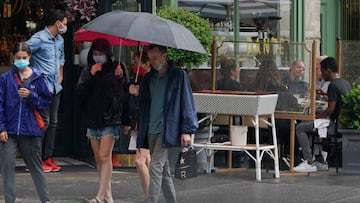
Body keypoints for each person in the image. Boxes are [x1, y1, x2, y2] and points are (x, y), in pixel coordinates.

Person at [137, 44, 198, 203]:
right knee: (163, 171)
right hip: (151, 127)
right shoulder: (149, 78)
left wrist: (187, 129)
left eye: (155, 58)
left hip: (167, 128)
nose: (152, 62)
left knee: (155, 166)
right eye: (150, 58)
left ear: (165, 56)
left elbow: (187, 102)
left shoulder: (178, 75)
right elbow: (143, 103)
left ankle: (150, 201)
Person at [76, 38, 130, 203]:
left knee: (104, 156)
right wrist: (91, 74)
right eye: (95, 53)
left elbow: (124, 95)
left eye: (101, 54)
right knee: (98, 158)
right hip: (93, 118)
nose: (98, 57)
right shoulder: (88, 70)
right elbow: (80, 93)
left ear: (108, 54)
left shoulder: (118, 68)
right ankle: (107, 195)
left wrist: (126, 120)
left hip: (111, 118)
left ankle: (100, 196)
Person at [0, 42, 52, 203]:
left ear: (30, 57)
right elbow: (0, 103)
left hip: (31, 130)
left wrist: (31, 95)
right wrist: (1, 127)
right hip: (10, 129)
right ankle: (10, 200)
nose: (21, 60)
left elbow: (46, 102)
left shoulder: (38, 77)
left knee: (36, 166)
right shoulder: (6, 78)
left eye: (24, 57)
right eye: (18, 58)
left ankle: (46, 200)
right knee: (7, 165)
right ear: (13, 58)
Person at [26, 9, 68, 172]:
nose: (65, 27)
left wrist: (61, 74)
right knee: (44, 122)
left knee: (54, 122)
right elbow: (23, 51)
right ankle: (34, 159)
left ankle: (47, 157)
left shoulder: (60, 40)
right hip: (41, 87)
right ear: (57, 23)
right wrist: (31, 74)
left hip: (55, 87)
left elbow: (62, 58)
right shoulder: (39, 39)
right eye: (64, 24)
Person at [293, 57, 352, 173]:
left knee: (300, 127)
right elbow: (337, 102)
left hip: (333, 126)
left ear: (328, 70)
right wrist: (325, 94)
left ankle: (309, 161)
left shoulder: (332, 85)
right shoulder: (345, 83)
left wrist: (315, 117)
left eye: (322, 70)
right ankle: (320, 160)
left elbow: (330, 109)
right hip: (342, 124)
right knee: (310, 126)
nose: (321, 73)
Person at [128, 50, 152, 198]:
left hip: (148, 123)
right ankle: (149, 194)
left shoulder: (151, 80)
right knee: (146, 159)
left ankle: (150, 195)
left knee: (140, 160)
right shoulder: (141, 79)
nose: (135, 66)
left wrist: (138, 93)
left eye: (138, 63)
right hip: (140, 123)